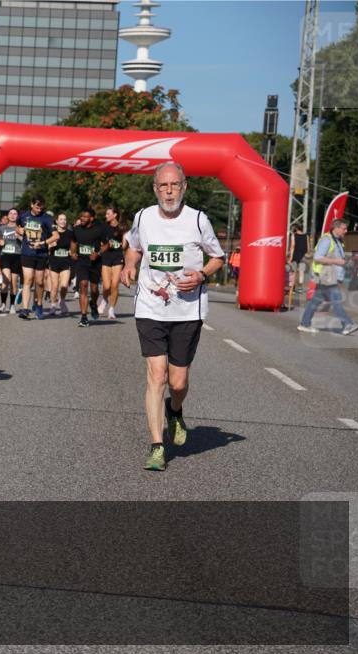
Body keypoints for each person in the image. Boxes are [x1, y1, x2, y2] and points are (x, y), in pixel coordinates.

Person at [121, 161, 225, 472]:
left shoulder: (198, 220)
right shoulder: (143, 217)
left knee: (177, 382)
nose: (169, 191)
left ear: (184, 187)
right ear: (155, 189)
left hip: (187, 309)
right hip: (151, 307)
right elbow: (133, 247)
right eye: (163, 186)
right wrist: (128, 265)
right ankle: (156, 446)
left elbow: (218, 257)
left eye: (174, 185)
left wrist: (202, 276)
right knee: (157, 376)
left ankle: (175, 410)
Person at [298, 218, 358, 336]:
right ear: (336, 228)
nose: (346, 231)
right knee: (336, 301)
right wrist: (337, 261)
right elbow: (317, 257)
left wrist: (343, 262)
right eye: (344, 228)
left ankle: (304, 323)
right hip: (327, 276)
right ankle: (347, 324)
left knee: (314, 301)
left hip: (328, 276)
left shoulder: (337, 240)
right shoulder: (327, 240)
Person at [17, 196, 56, 319]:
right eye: (37, 206)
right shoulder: (23, 216)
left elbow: (56, 236)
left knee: (39, 282)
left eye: (41, 207)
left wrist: (42, 243)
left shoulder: (47, 218)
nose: (39, 209)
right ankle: (25, 309)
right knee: (28, 279)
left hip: (41, 254)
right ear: (31, 204)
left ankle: (38, 304)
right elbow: (17, 227)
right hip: (27, 253)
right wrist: (19, 231)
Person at [70, 208, 108, 328]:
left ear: (91, 218)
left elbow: (107, 244)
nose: (82, 218)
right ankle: (84, 317)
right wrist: (73, 252)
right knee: (83, 285)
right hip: (81, 261)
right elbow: (73, 241)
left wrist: (98, 254)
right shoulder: (76, 229)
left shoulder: (99, 229)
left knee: (95, 289)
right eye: (81, 216)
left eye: (85, 217)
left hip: (95, 262)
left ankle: (93, 303)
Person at [100, 205, 128, 320]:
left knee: (115, 284)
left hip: (117, 257)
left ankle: (111, 309)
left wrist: (121, 244)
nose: (106, 216)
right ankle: (104, 300)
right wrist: (106, 245)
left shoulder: (123, 227)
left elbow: (125, 244)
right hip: (106, 257)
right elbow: (100, 244)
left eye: (108, 214)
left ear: (115, 215)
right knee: (106, 286)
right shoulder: (103, 227)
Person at [46, 212, 73, 316]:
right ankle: (53, 305)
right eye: (61, 219)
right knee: (54, 286)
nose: (63, 221)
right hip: (54, 262)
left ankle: (62, 301)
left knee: (64, 285)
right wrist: (50, 245)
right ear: (56, 221)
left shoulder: (70, 233)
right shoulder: (52, 233)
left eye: (65, 219)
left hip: (66, 261)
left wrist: (72, 251)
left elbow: (73, 246)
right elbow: (47, 245)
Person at [0, 209, 21, 313]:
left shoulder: (20, 228)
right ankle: (2, 304)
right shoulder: (2, 228)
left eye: (15, 213)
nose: (12, 215)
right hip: (5, 255)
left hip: (17, 256)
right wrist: (0, 242)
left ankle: (12, 305)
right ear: (7, 216)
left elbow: (26, 241)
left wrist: (19, 236)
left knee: (14, 283)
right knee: (6, 280)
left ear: (17, 216)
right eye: (11, 213)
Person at [287, 223, 310, 291]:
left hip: (295, 255)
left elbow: (292, 247)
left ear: (296, 228)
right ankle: (300, 287)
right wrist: (307, 253)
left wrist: (290, 258)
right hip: (303, 255)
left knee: (293, 271)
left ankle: (292, 287)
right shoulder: (306, 236)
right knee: (301, 271)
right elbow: (308, 247)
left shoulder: (294, 235)